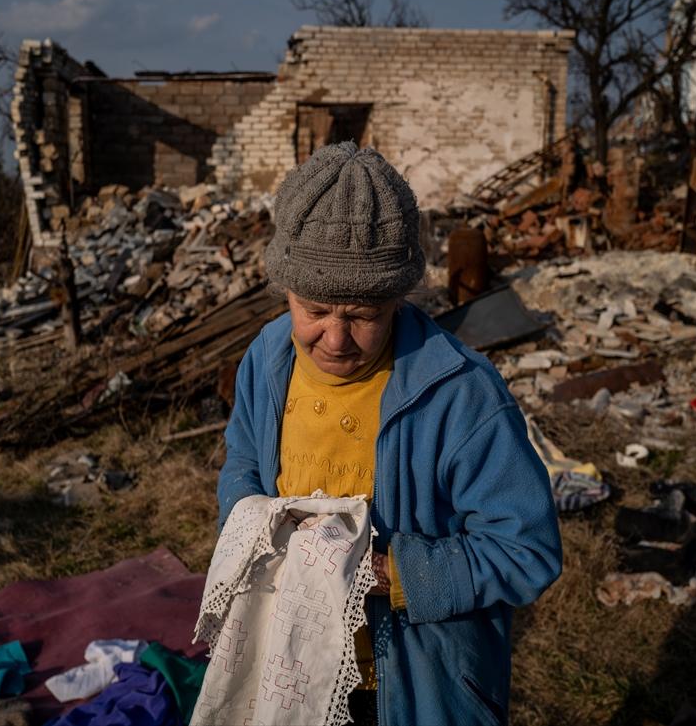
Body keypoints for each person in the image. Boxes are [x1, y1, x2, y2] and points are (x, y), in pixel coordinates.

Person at [217, 142, 562, 726]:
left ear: (400, 299)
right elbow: (243, 466)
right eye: (316, 310)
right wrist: (255, 528)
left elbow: (525, 548)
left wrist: (386, 574)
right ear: (286, 291)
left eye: (362, 315)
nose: (335, 338)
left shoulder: (459, 394)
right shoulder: (266, 360)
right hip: (290, 663)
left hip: (412, 685)